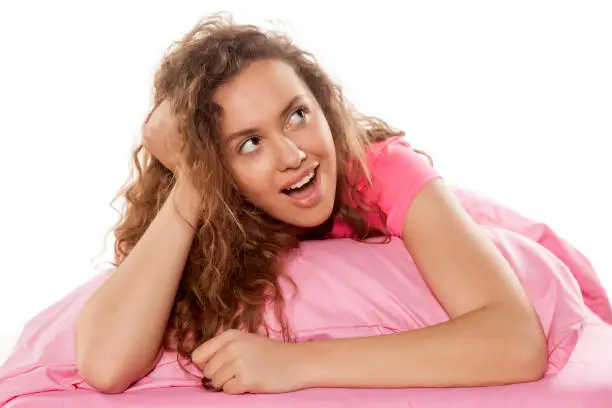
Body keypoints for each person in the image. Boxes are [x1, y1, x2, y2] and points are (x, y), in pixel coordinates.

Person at [74, 12, 547, 395]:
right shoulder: (211, 202)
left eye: (297, 115)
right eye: (249, 143)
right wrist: (194, 179)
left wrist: (295, 363)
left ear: (323, 105)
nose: (293, 155)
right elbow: (106, 365)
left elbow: (516, 341)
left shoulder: (381, 170)